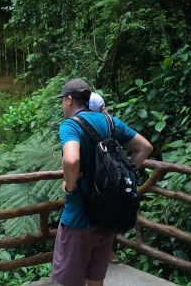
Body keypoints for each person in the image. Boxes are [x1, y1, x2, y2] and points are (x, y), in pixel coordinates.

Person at [52, 79, 152, 286]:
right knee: (95, 279)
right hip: (107, 216)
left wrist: (69, 186)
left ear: (69, 100)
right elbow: (145, 148)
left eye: (62, 100)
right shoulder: (111, 122)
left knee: (67, 281)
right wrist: (124, 171)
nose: (62, 105)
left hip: (79, 218)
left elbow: (71, 159)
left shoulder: (70, 126)